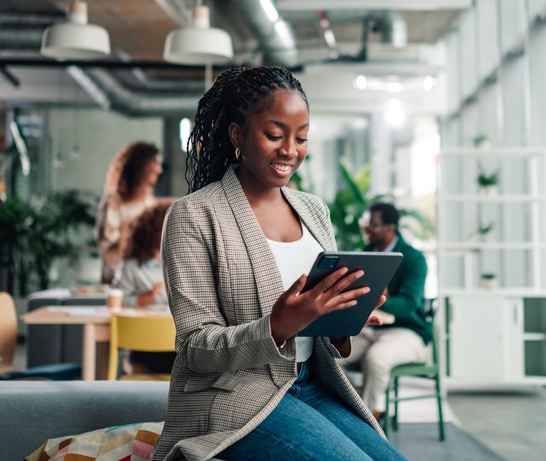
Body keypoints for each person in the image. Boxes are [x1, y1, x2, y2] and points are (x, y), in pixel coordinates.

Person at [151, 66, 407, 461]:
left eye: (301, 137)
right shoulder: (194, 215)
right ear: (238, 135)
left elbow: (317, 332)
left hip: (312, 384)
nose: (290, 149)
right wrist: (276, 326)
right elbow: (194, 348)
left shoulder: (313, 210)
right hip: (237, 396)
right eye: (275, 135)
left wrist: (343, 316)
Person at [338, 202, 431, 420]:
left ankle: (364, 422)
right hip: (370, 328)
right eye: (367, 223)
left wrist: (380, 297)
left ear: (390, 227)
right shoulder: (367, 253)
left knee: (376, 359)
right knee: (329, 355)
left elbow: (409, 305)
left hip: (408, 332)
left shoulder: (414, 259)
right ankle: (359, 408)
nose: (367, 228)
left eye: (373, 224)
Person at [114, 199, 176, 374]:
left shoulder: (184, 261)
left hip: (178, 345)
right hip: (143, 347)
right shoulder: (132, 266)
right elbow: (118, 302)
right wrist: (143, 299)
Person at [94, 142, 165, 283]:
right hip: (118, 282)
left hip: (146, 281)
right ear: (140, 166)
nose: (159, 170)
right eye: (154, 163)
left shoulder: (149, 202)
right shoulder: (114, 201)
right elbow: (105, 240)